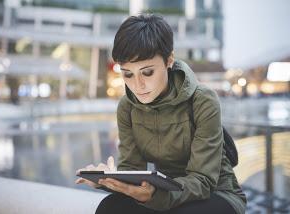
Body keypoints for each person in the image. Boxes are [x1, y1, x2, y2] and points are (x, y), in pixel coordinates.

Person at [76, 14, 247, 214]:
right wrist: (108, 180)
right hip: (162, 192)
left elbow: (202, 181)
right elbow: (132, 169)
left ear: (169, 60)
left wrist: (156, 196)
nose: (137, 85)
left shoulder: (203, 100)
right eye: (128, 74)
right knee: (110, 207)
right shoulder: (127, 107)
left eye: (147, 72)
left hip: (215, 193)